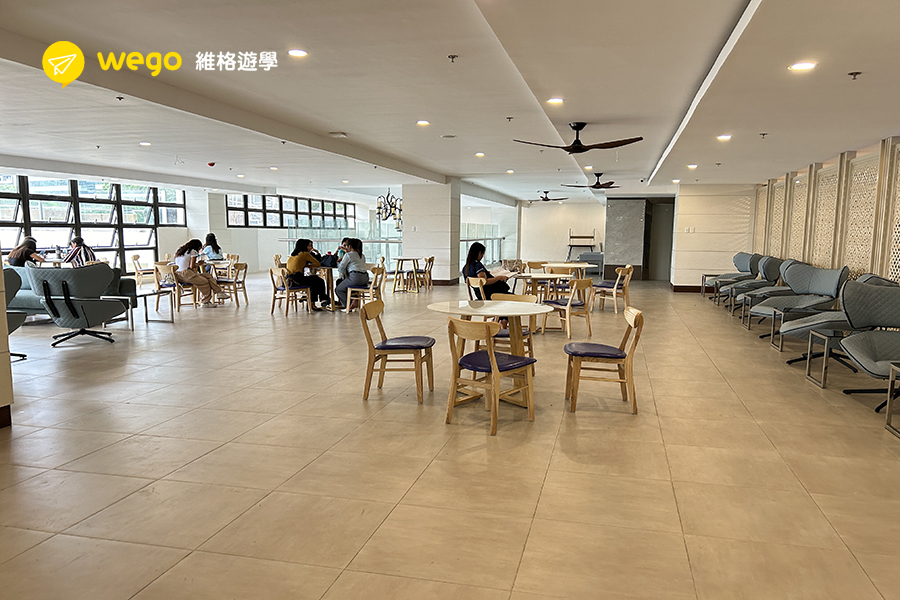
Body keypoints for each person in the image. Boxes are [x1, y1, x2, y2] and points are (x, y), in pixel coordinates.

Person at [173, 239, 230, 308]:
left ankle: (219, 292)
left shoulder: (181, 251)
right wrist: (199, 264)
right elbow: (192, 266)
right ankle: (205, 302)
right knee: (205, 282)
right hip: (187, 274)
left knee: (208, 276)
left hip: (178, 275)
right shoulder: (193, 251)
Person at [285, 238, 330, 310]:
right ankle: (323, 299)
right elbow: (317, 264)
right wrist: (308, 266)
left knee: (314, 282)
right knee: (319, 280)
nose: (311, 248)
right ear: (304, 246)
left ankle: (311, 302)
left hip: (289, 280)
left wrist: (305, 265)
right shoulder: (304, 254)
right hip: (297, 279)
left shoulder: (293, 255)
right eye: (309, 246)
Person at [335, 238, 369, 309]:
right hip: (365, 279)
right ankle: (354, 299)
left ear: (349, 246)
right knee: (344, 284)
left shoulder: (348, 255)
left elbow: (341, 269)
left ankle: (348, 306)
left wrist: (338, 262)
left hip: (355, 278)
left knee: (338, 289)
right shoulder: (361, 255)